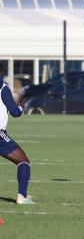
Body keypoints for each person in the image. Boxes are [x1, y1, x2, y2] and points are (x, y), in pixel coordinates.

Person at [0, 63, 33, 204]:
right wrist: (21, 108)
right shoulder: (3, 88)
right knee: (23, 161)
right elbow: (15, 112)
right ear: (2, 72)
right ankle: (22, 196)